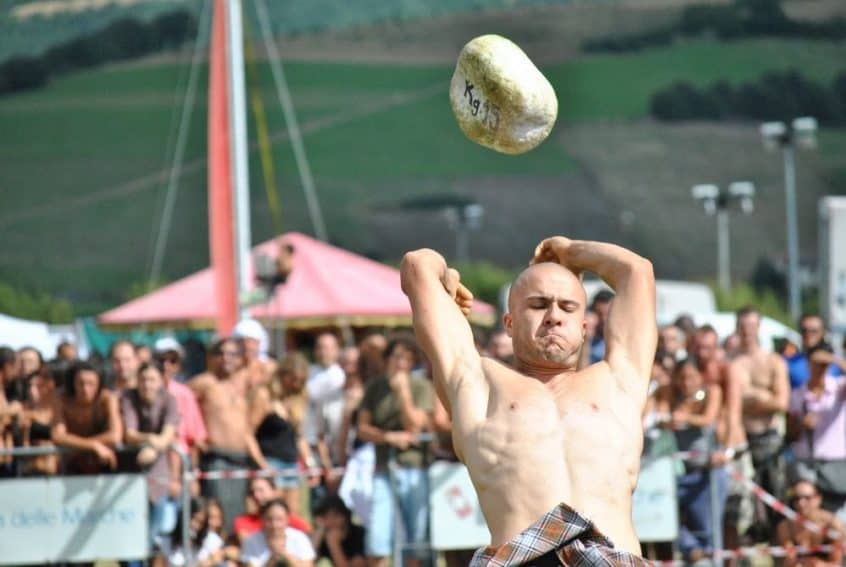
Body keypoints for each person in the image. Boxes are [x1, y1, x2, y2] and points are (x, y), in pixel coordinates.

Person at [401, 236, 656, 564]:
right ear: (509, 323)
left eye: (567, 307)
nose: (553, 316)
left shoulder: (619, 382)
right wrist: (444, 279)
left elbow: (636, 271)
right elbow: (417, 265)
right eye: (538, 305)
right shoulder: (478, 383)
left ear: (584, 327)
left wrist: (570, 252)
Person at [357, 335, 433, 567]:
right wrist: (387, 437)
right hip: (383, 468)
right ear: (387, 358)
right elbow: (362, 428)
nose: (401, 363)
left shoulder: (420, 386)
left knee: (416, 538)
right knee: (378, 537)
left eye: (408, 359)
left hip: (414, 468)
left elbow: (415, 425)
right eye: (397, 357)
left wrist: (403, 393)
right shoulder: (375, 387)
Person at [189, 338, 270, 529]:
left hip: (241, 458)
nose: (226, 358)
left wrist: (262, 464)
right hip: (217, 457)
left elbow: (270, 369)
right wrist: (195, 434)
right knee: (219, 513)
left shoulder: (243, 384)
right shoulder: (205, 382)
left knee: (240, 513)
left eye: (232, 354)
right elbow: (182, 403)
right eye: (221, 353)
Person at [690, 324, 753, 549]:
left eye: (707, 347)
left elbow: (732, 412)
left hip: (730, 450)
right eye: (698, 347)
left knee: (731, 518)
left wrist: (726, 449)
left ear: (716, 347)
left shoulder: (727, 370)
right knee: (704, 516)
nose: (702, 352)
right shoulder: (692, 372)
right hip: (704, 453)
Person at [654, 359, 724, 562]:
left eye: (692, 377)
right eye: (682, 377)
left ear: (701, 376)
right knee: (665, 518)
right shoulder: (671, 393)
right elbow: (661, 416)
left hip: (706, 472)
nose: (686, 382)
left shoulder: (712, 392)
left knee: (707, 528)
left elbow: (709, 419)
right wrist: (670, 418)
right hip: (679, 473)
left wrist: (685, 418)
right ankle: (692, 550)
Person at [731, 306, 790, 534]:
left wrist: (748, 397)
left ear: (759, 327)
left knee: (776, 499)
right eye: (742, 326)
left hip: (768, 438)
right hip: (741, 437)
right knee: (741, 506)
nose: (746, 331)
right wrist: (762, 396)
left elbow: (781, 403)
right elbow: (730, 402)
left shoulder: (773, 361)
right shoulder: (731, 361)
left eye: (751, 325)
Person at [120, 362, 180, 559]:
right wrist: (152, 440)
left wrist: (153, 449)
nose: (147, 384)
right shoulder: (128, 397)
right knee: (130, 535)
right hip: (130, 475)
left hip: (159, 475)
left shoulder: (169, 400)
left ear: (161, 381)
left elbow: (167, 435)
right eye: (143, 379)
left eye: (152, 380)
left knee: (155, 536)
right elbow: (130, 434)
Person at [250, 354, 315, 518]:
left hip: (291, 464)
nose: (296, 385)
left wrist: (310, 463)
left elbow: (299, 437)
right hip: (270, 461)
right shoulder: (265, 396)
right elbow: (248, 434)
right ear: (283, 375)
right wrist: (263, 465)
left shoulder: (296, 401)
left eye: (301, 381)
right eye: (293, 379)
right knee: (273, 512)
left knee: (293, 513)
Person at [787, 343, 846, 512]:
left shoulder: (838, 388)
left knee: (836, 513)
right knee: (807, 512)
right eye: (816, 364)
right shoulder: (798, 394)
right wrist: (802, 425)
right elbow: (790, 434)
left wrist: (833, 359)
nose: (820, 369)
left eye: (824, 365)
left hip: (834, 463)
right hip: (806, 461)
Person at [51, 362, 122, 473]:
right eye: (81, 383)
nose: (85, 389)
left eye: (91, 384)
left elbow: (115, 436)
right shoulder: (61, 399)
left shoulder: (107, 399)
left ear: (99, 384)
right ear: (72, 383)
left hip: (104, 461)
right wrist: (93, 446)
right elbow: (58, 436)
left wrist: (81, 445)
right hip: (72, 463)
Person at [775, 480, 845, 567]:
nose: (801, 503)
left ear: (818, 498)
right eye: (796, 498)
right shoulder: (786, 526)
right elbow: (788, 562)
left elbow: (836, 564)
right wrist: (805, 562)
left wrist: (819, 565)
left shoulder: (833, 524)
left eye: (807, 498)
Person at [233, 476, 311, 543]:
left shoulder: (289, 519)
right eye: (252, 492)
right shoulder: (243, 522)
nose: (256, 495)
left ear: (274, 491)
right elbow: (248, 546)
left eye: (260, 490)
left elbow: (307, 535)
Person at [241, 499, 316, 567]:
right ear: (262, 519)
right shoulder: (251, 541)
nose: (274, 525)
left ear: (287, 519)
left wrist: (286, 556)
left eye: (279, 519)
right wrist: (272, 560)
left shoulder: (300, 538)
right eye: (269, 519)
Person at [19, 365, 60, 475]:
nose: (33, 390)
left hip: (56, 469)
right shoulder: (24, 410)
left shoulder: (59, 408)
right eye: (31, 386)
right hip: (31, 469)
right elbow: (25, 446)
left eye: (39, 386)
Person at [311, 494, 366, 567]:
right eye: (325, 517)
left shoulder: (359, 534)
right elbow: (308, 562)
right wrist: (318, 534)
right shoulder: (323, 535)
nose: (331, 521)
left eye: (335, 516)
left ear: (344, 516)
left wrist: (333, 544)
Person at [234, 318, 277, 388]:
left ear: (259, 344)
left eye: (251, 342)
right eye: (242, 342)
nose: (247, 346)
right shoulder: (230, 371)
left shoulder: (269, 369)